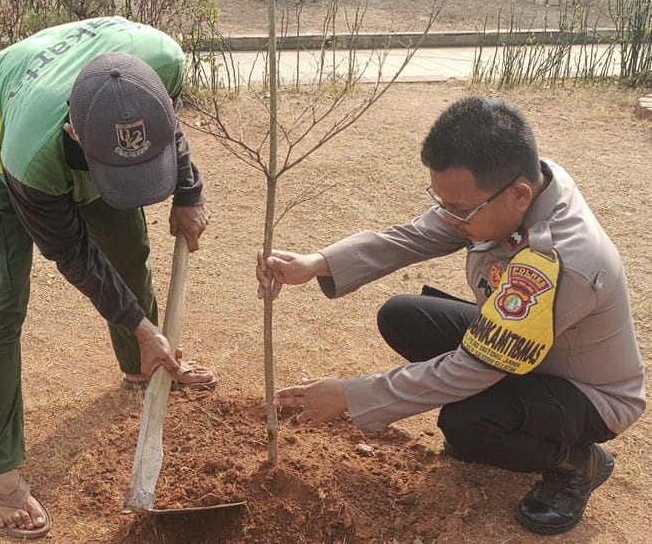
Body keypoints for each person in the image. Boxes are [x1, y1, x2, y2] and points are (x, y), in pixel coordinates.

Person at [256, 96, 645, 536]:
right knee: (403, 315)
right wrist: (316, 262)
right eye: (443, 201)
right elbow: (419, 235)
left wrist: (352, 395)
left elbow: (474, 367)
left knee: (468, 423)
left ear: (518, 195)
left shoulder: (562, 260)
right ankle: (520, 422)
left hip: (583, 390)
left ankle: (579, 462)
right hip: (519, 345)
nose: (449, 217)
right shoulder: (524, 182)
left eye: (460, 210)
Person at [0, 16, 218, 539]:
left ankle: (143, 366)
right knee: (3, 306)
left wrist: (189, 190)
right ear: (76, 136)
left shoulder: (162, 58)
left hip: (80, 118)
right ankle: (3, 475)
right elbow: (74, 254)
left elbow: (167, 121)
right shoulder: (30, 154)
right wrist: (142, 325)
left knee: (129, 252)